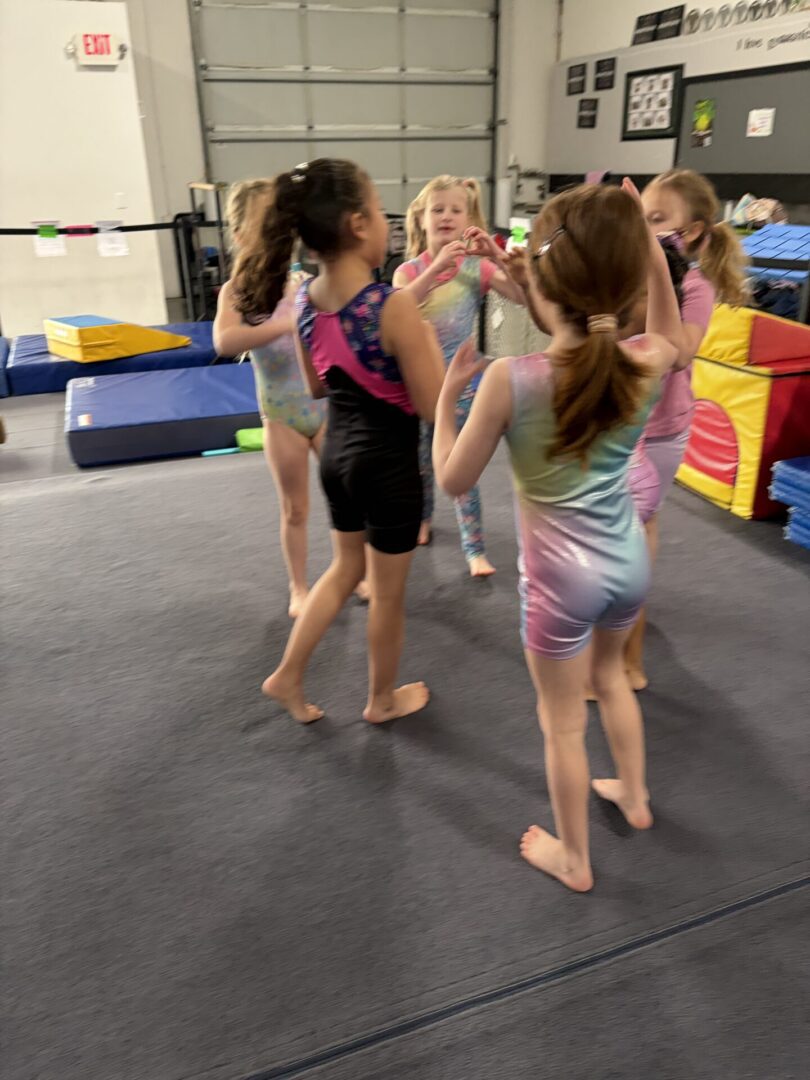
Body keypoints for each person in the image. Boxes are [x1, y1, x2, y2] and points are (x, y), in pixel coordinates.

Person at [432, 181, 687, 893]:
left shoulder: (510, 379)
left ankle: (574, 859)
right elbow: (668, 334)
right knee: (611, 680)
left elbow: (453, 480)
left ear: (543, 289)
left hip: (559, 585)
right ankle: (634, 794)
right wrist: (650, 250)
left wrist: (447, 405)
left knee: (564, 723)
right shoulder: (644, 360)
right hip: (627, 563)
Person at [231, 159, 444, 724]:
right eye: (379, 211)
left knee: (344, 568)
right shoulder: (391, 306)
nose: (386, 222)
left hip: (338, 457)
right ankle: (381, 700)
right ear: (357, 223)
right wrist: (430, 348)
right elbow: (431, 406)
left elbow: (317, 386)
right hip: (388, 467)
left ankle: (288, 674)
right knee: (388, 597)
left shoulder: (305, 299)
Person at [623, 169, 748, 688]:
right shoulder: (629, 273)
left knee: (637, 531)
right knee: (612, 530)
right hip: (621, 425)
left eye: (656, 220)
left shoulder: (694, 286)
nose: (644, 228)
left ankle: (629, 655)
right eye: (640, 217)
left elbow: (680, 353)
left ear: (691, 232)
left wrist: (656, 274)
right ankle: (615, 618)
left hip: (660, 430)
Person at [393, 175, 525, 576]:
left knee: (460, 466)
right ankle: (423, 518)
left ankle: (474, 549)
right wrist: (436, 267)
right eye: (438, 209)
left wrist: (498, 257)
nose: (446, 216)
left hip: (462, 386)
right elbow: (398, 307)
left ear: (468, 219)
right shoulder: (408, 271)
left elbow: (522, 297)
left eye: (455, 210)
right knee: (420, 464)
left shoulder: (476, 269)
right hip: (417, 385)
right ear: (421, 219)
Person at [214, 179, 331, 619]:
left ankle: (351, 571)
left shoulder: (303, 282)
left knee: (347, 498)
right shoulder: (238, 291)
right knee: (295, 509)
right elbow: (225, 340)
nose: (277, 230)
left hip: (324, 407)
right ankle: (298, 586)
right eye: (267, 222)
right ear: (239, 233)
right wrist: (284, 324)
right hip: (282, 415)